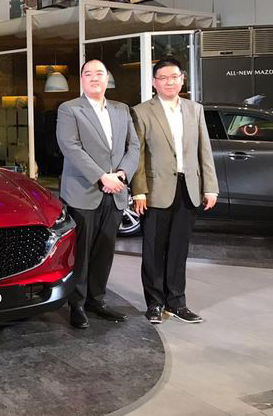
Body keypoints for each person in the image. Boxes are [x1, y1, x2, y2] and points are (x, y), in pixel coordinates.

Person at [131, 58, 218, 325]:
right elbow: (138, 155)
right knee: (154, 250)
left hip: (188, 188)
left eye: (174, 77)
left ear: (182, 79)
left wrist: (210, 187)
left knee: (179, 250)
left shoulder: (195, 109)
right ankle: (155, 303)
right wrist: (139, 191)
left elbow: (204, 150)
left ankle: (177, 302)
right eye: (163, 78)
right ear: (154, 82)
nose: (169, 82)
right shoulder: (141, 111)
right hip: (156, 190)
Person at [56, 59, 139, 329]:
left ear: (107, 79)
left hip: (115, 191)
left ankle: (97, 300)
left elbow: (133, 146)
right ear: (81, 80)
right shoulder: (70, 109)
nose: (94, 78)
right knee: (81, 252)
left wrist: (122, 174)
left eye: (99, 73)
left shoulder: (121, 109)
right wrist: (102, 177)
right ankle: (77, 304)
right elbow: (70, 147)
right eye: (88, 74)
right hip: (84, 191)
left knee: (105, 249)